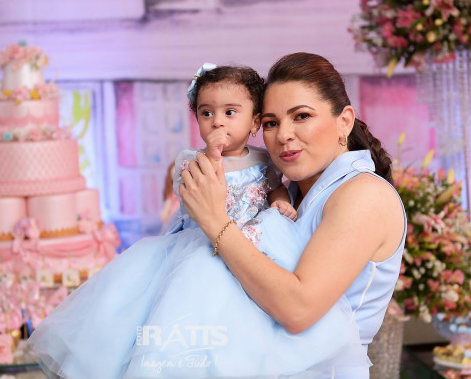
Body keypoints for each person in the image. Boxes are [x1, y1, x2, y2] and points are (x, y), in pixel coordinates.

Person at [28, 63, 370, 378]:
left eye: (230, 113)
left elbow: (272, 188)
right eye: (207, 113)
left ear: (251, 122)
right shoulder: (193, 160)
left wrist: (280, 202)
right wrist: (213, 155)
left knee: (244, 330)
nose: (218, 122)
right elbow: (193, 201)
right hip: (201, 249)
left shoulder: (288, 169)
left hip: (256, 241)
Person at [179, 52, 406, 378]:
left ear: (344, 121)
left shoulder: (363, 194)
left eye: (301, 116)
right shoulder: (288, 194)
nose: (283, 134)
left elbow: (298, 310)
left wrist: (215, 221)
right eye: (271, 123)